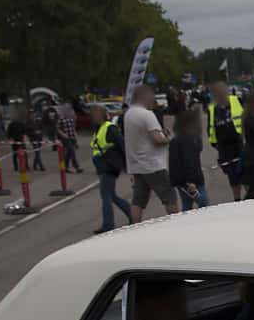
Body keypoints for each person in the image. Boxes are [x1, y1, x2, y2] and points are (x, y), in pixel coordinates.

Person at [124, 84, 177, 221]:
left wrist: (160, 134)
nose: (152, 100)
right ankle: (176, 224)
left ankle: (134, 226)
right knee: (169, 197)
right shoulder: (147, 114)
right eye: (151, 97)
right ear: (144, 97)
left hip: (137, 165)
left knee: (138, 201)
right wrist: (169, 138)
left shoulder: (128, 114)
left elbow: (142, 136)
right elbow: (157, 139)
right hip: (153, 165)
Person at [89, 104, 131, 233]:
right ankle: (132, 213)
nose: (92, 117)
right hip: (103, 166)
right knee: (111, 195)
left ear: (101, 115)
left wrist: (127, 165)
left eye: (94, 114)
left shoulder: (109, 128)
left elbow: (122, 145)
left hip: (108, 167)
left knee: (106, 196)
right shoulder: (99, 128)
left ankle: (108, 225)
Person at [207, 81, 249, 201]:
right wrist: (214, 143)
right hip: (224, 148)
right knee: (233, 178)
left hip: (239, 144)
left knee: (245, 175)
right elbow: (210, 127)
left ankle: (251, 200)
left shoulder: (236, 100)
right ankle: (237, 200)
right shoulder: (212, 108)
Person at [168, 109, 209, 213]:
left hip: (181, 181)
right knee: (204, 204)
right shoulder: (188, 140)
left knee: (187, 205)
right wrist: (191, 181)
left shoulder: (176, 140)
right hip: (191, 181)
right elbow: (189, 161)